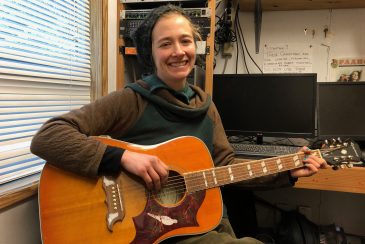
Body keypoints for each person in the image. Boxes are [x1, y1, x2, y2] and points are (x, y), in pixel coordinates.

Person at [31, 4, 327, 243]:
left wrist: (287, 171)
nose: (178, 51)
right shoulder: (131, 101)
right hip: (144, 230)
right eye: (166, 44)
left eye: (186, 41)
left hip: (194, 224)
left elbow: (226, 168)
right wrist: (123, 157)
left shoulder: (206, 107)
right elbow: (49, 136)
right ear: (150, 53)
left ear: (195, 47)